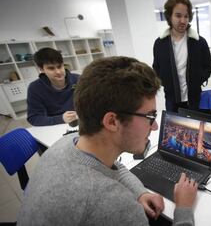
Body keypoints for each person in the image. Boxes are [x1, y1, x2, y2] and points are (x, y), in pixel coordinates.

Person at [18, 57, 198, 225]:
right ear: (112, 121)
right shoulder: (116, 206)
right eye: (150, 116)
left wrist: (140, 192)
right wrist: (183, 209)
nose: (155, 126)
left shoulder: (66, 143)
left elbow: (113, 167)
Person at [153, 0, 211, 112]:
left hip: (194, 99)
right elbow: (156, 68)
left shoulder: (199, 42)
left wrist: (197, 81)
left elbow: (207, 67)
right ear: (169, 16)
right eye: (178, 16)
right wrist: (167, 84)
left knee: (194, 129)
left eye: (186, 16)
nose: (183, 20)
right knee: (173, 129)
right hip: (171, 100)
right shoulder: (160, 44)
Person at [27, 47, 79, 126]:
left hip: (80, 121)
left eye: (59, 66)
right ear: (42, 69)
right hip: (55, 125)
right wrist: (60, 118)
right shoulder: (34, 88)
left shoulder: (78, 79)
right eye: (51, 68)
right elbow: (34, 118)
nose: (58, 72)